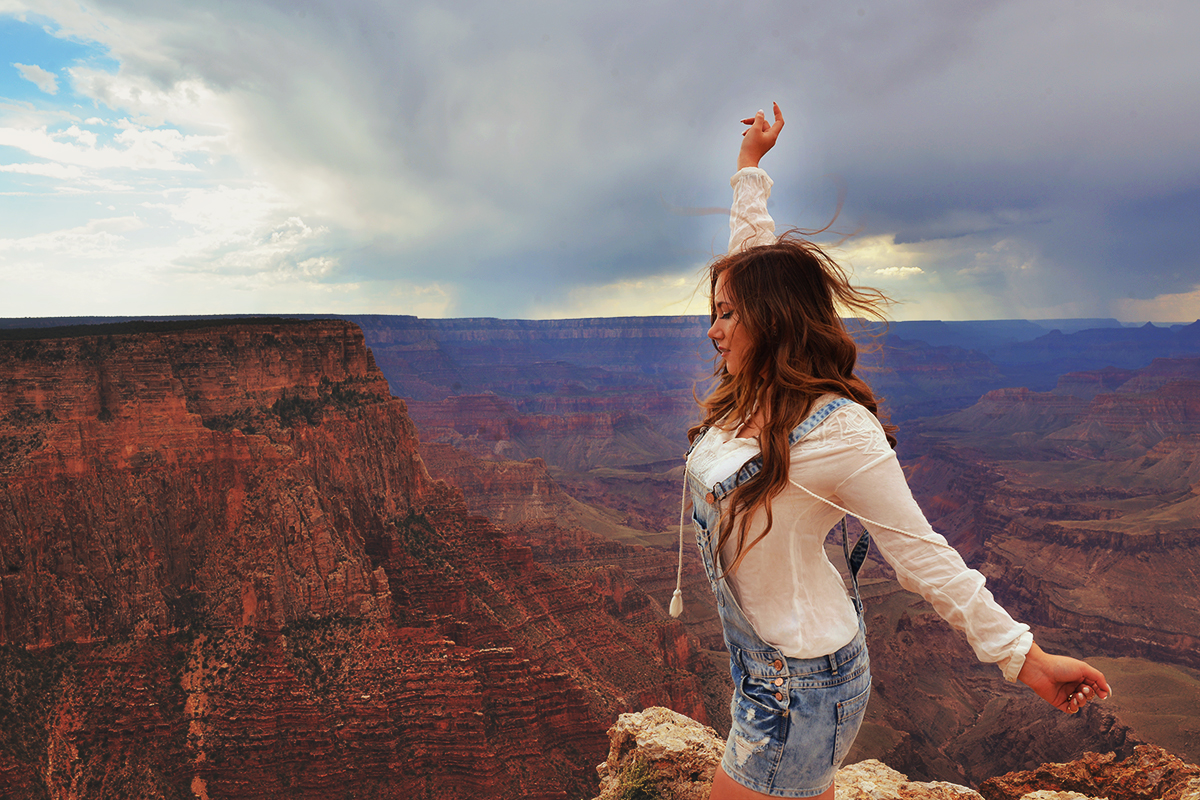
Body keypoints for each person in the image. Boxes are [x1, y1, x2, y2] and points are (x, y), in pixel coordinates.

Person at [668, 103, 1111, 800]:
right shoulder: (748, 387)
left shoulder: (842, 432)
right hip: (767, 670)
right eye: (713, 312)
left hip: (804, 685)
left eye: (727, 314)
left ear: (772, 319)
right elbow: (754, 256)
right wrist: (749, 170)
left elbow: (923, 554)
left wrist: (1027, 660)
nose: (715, 331)